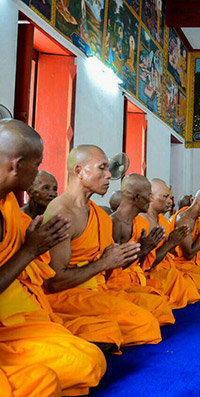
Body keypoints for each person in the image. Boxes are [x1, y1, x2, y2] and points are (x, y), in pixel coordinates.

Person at [0, 120, 105, 396]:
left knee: (88, 361)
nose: (39, 174)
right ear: (17, 165)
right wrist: (30, 251)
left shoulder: (8, 205)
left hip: (19, 315)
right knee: (44, 382)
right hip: (9, 318)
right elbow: (54, 278)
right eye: (36, 165)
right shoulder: (59, 210)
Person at [43, 145, 162, 347]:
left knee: (157, 307)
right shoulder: (62, 213)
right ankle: (69, 330)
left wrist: (134, 253)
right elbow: (54, 283)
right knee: (144, 323)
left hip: (97, 289)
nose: (109, 175)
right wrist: (104, 263)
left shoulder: (99, 215)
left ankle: (92, 330)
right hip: (66, 295)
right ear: (79, 171)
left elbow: (108, 268)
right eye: (102, 168)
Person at [106, 174, 175, 325]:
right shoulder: (114, 223)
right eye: (148, 195)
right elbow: (109, 268)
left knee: (160, 301)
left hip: (135, 279)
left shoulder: (137, 222)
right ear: (137, 197)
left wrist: (145, 249)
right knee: (154, 312)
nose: (150, 200)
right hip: (114, 285)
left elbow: (140, 264)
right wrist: (144, 250)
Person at [136, 179, 200, 307]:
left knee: (195, 284)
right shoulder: (141, 222)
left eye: (170, 197)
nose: (170, 202)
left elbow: (170, 254)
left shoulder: (162, 220)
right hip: (147, 275)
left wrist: (175, 241)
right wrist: (171, 243)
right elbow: (144, 264)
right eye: (165, 197)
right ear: (150, 197)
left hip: (167, 270)